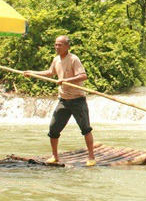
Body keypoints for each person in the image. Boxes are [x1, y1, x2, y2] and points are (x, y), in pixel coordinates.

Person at [23, 35, 95, 166]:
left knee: (86, 129)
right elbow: (50, 73)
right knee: (53, 129)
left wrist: (66, 80)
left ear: (67, 46)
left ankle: (91, 157)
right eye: (55, 44)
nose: (57, 47)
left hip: (77, 100)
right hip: (63, 100)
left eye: (60, 45)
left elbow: (83, 76)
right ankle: (55, 156)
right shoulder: (56, 59)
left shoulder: (74, 59)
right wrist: (32, 73)